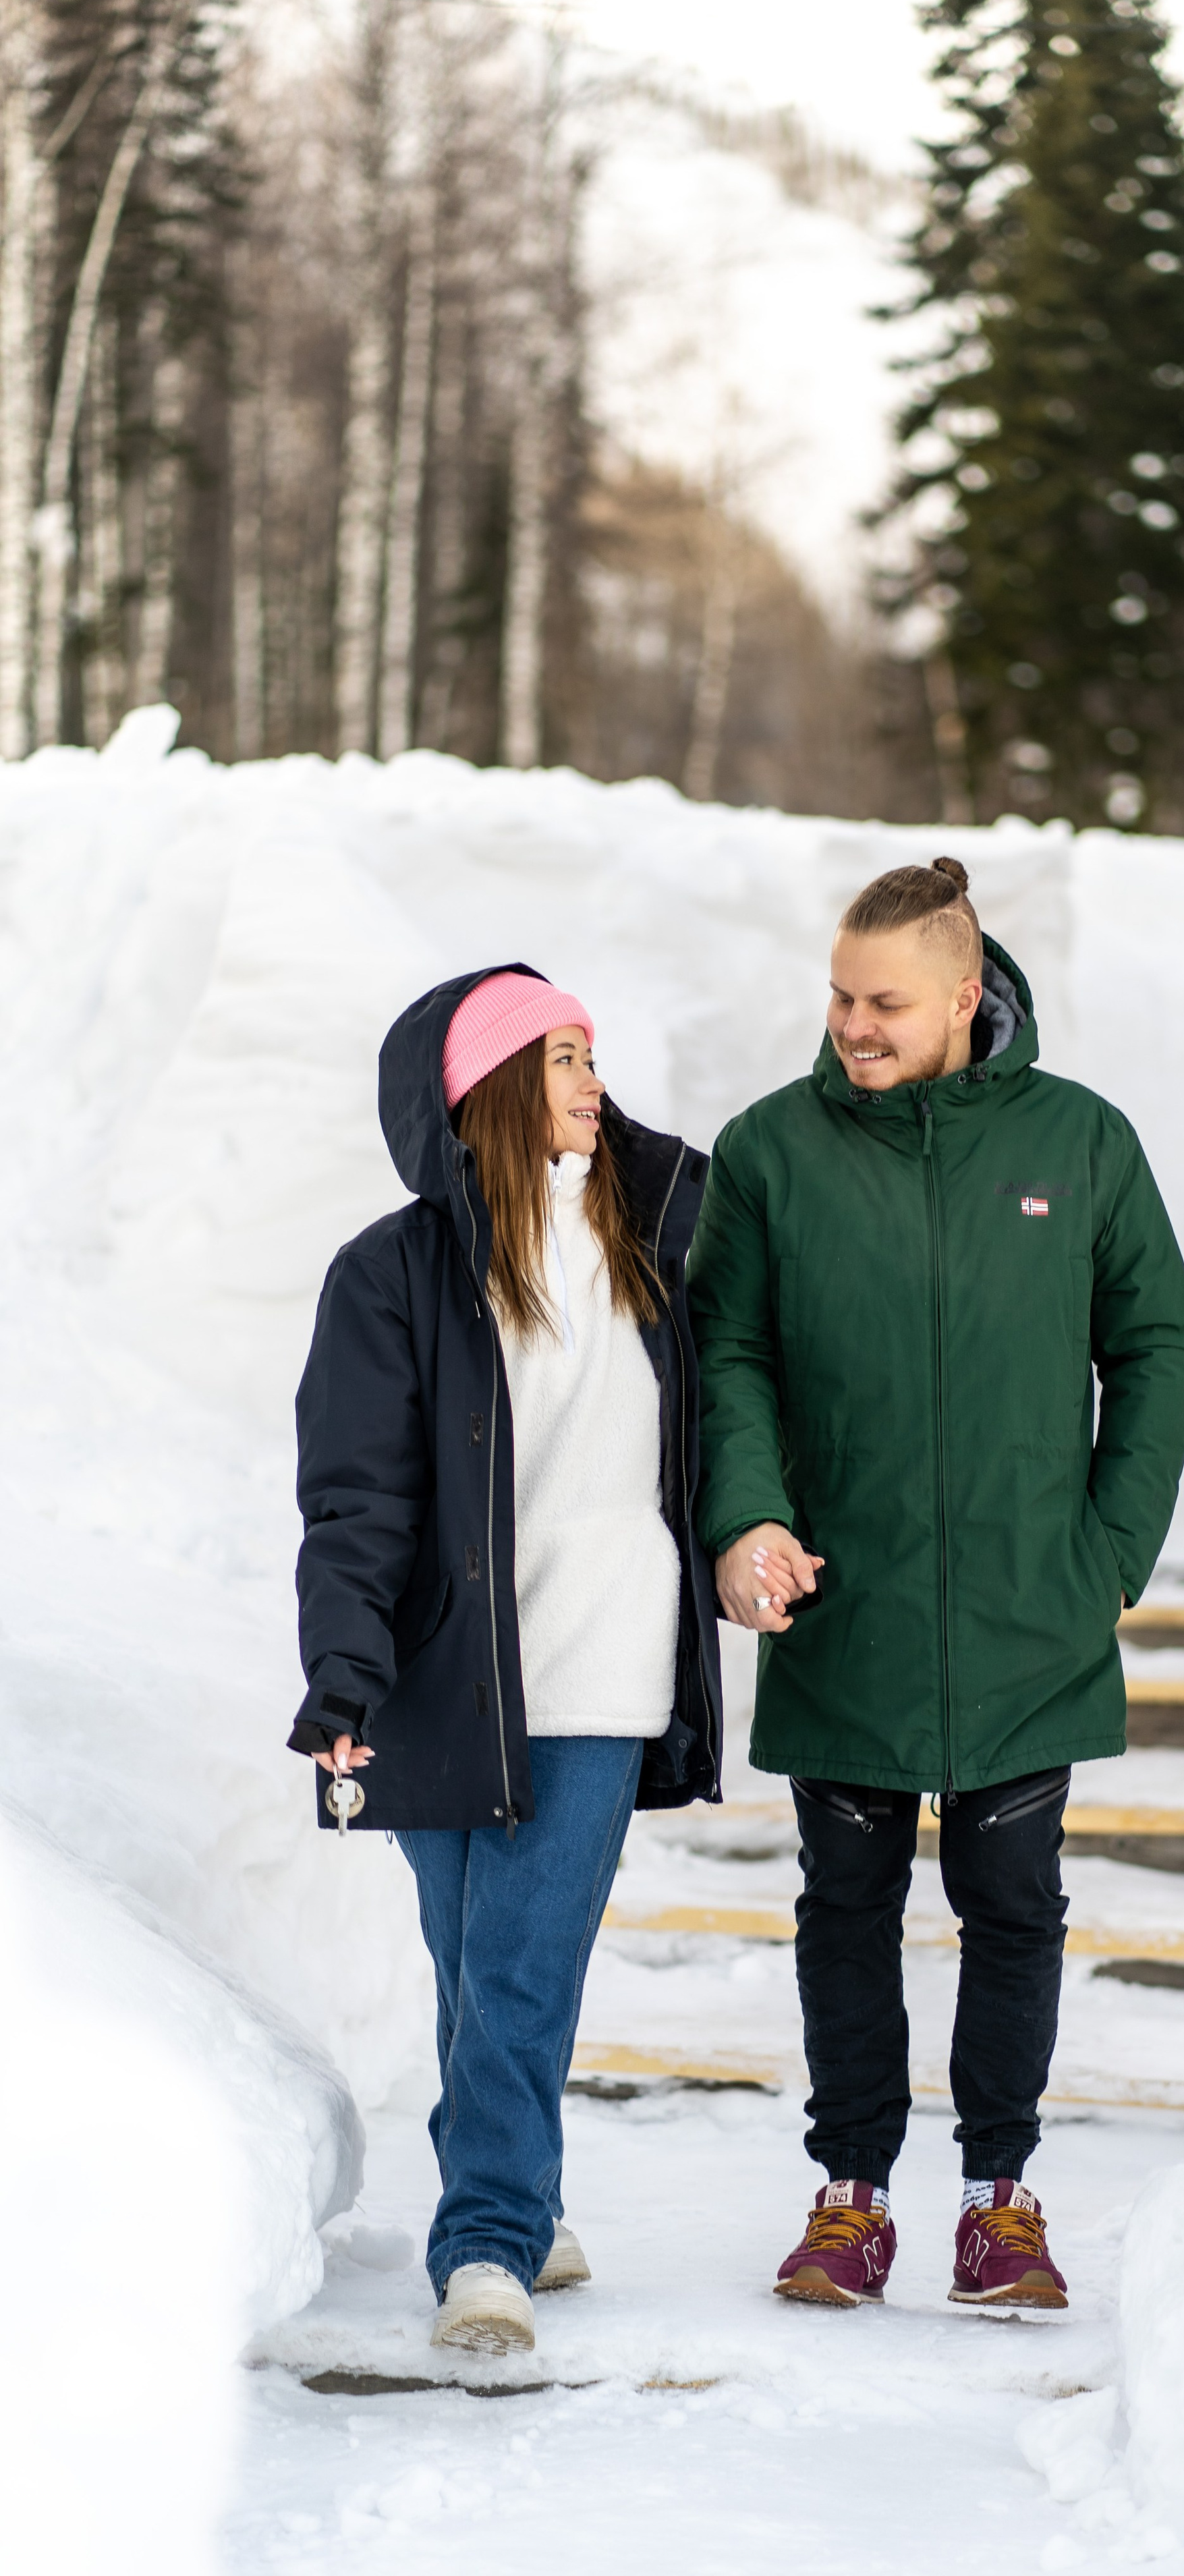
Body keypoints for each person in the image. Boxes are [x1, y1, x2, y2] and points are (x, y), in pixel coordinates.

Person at [688, 858, 1184, 2310]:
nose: (852, 1024)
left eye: (884, 1001)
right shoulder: (771, 1151)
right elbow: (727, 1356)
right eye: (840, 995)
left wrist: (1105, 1553)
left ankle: (999, 2199)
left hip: (1025, 1618)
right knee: (842, 1905)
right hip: (844, 1608)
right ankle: (848, 2197)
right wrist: (746, 1520)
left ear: (966, 996)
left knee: (1012, 1905)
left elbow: (1155, 1345)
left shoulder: (1079, 1142)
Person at [291, 965, 720, 2357]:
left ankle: (482, 2240)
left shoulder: (662, 1237)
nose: (595, 1080)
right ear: (485, 1092)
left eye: (595, 1053)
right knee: (471, 1961)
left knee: (525, 1962)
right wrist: (344, 1674)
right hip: (442, 1672)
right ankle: (522, 2198)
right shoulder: (391, 1274)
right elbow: (356, 1498)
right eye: (562, 1057)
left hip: (601, 1653)